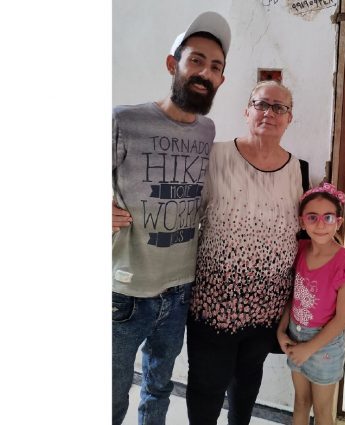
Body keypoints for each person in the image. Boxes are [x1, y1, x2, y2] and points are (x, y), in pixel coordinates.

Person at [111, 11, 231, 425]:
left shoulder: (207, 130)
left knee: (159, 387)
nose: (205, 73)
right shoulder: (124, 120)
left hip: (180, 289)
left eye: (215, 67)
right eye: (196, 60)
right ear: (172, 64)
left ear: (221, 80)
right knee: (110, 394)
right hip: (127, 291)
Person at [185, 80, 305, 425]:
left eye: (279, 107)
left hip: (267, 305)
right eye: (261, 104)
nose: (269, 113)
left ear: (290, 118)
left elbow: (305, 231)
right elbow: (184, 213)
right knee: (207, 384)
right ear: (246, 110)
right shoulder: (214, 156)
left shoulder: (299, 170)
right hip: (214, 302)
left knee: (248, 379)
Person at [276, 182, 345, 425]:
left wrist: (309, 348)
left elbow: (342, 320)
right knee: (301, 403)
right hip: (295, 336)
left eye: (328, 217)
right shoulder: (300, 250)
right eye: (312, 217)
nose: (320, 224)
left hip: (325, 347)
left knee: (323, 413)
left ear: (338, 222)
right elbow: (295, 297)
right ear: (302, 221)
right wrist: (281, 331)